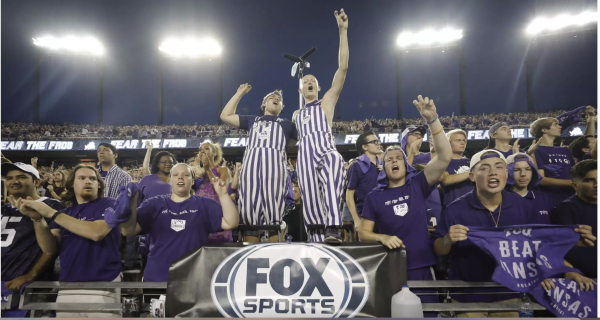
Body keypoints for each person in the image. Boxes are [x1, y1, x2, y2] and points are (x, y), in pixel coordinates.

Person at [433, 150, 595, 317]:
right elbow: (439, 249)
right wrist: (447, 239)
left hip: (509, 293)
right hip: (467, 296)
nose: (493, 172)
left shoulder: (522, 205)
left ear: (505, 173)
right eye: (484, 168)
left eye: (499, 167)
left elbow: (539, 244)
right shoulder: (455, 209)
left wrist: (572, 242)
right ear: (472, 176)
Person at [359, 96, 451, 317]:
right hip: (390, 267)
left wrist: (433, 120)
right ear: (383, 166)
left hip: (421, 265)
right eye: (388, 159)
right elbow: (363, 233)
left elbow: (445, 157)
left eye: (398, 158)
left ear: (405, 163)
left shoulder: (418, 184)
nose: (393, 161)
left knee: (427, 315)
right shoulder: (374, 196)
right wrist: (381, 238)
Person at [15, 165, 121, 318]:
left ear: (99, 184)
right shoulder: (65, 213)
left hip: (102, 283)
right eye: (82, 178)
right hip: (68, 285)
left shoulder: (109, 203)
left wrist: (51, 212)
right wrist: (37, 219)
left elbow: (96, 232)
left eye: (93, 179)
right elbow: (50, 248)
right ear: (72, 184)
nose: (88, 181)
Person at [118, 164, 239, 282]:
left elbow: (231, 223)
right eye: (175, 175)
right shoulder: (154, 204)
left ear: (192, 181)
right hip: (158, 277)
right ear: (169, 180)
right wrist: (132, 203)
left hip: (193, 278)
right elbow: (128, 230)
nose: (180, 177)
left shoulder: (204, 204)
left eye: (186, 175)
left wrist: (223, 195)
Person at [292, 8, 348, 242]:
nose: (310, 83)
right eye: (306, 82)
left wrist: (343, 32)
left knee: (335, 162)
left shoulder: (326, 103)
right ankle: (318, 238)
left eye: (313, 81)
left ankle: (334, 225)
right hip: (304, 156)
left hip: (325, 149)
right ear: (300, 89)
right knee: (312, 201)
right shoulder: (296, 113)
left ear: (319, 87)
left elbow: (342, 68)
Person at [220, 84, 297, 242]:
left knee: (274, 219)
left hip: (276, 172)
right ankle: (251, 261)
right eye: (272, 97)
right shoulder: (252, 120)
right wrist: (239, 93)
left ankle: (276, 260)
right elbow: (225, 116)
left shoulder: (288, 124)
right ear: (263, 103)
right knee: (250, 218)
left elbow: (298, 142)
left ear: (282, 106)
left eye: (279, 99)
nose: (276, 98)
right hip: (251, 173)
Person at [1, 163, 61, 318]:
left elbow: (53, 248)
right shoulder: (4, 208)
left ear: (36, 182)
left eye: (21, 177)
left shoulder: (52, 206)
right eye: (9, 178)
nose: (14, 181)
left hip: (28, 286)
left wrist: (30, 274)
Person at [551, 159, 597, 278]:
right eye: (589, 180)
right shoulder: (566, 209)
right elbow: (559, 249)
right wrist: (571, 271)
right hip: (583, 280)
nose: (597, 185)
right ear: (575, 185)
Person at [529, 118, 576, 206]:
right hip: (549, 199)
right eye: (555, 124)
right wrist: (572, 183)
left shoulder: (565, 150)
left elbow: (574, 173)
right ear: (544, 130)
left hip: (571, 197)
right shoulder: (536, 151)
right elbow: (540, 179)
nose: (560, 127)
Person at [195, 142, 233, 242]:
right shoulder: (196, 171)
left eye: (206, 148)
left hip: (217, 211)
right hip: (199, 212)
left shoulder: (222, 169)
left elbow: (221, 188)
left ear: (214, 153)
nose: (202, 151)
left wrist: (208, 170)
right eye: (200, 149)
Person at [346, 132, 382, 238]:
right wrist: (356, 219)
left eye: (378, 141)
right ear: (365, 147)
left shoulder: (384, 165)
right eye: (374, 142)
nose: (378, 144)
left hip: (385, 214)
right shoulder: (356, 166)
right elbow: (349, 195)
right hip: (366, 215)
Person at [504, 153, 553, 224]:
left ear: (533, 172)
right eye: (516, 170)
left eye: (528, 169)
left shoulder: (545, 199)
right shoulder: (500, 199)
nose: (523, 174)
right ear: (507, 172)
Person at [440, 129, 471, 208]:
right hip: (453, 207)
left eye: (464, 140)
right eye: (458, 140)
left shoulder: (471, 162)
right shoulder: (443, 162)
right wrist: (471, 172)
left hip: (474, 206)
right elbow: (446, 180)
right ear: (448, 143)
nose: (462, 143)